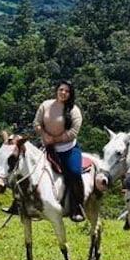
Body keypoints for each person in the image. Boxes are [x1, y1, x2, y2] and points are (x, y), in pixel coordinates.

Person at [34, 80, 86, 222]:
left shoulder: (74, 111)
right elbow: (37, 123)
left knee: (74, 173)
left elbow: (73, 132)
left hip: (68, 149)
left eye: (67, 91)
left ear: (70, 94)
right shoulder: (45, 105)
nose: (63, 93)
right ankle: (21, 204)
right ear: (56, 90)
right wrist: (45, 136)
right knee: (28, 168)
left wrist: (55, 139)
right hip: (47, 148)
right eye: (61, 89)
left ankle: (78, 206)